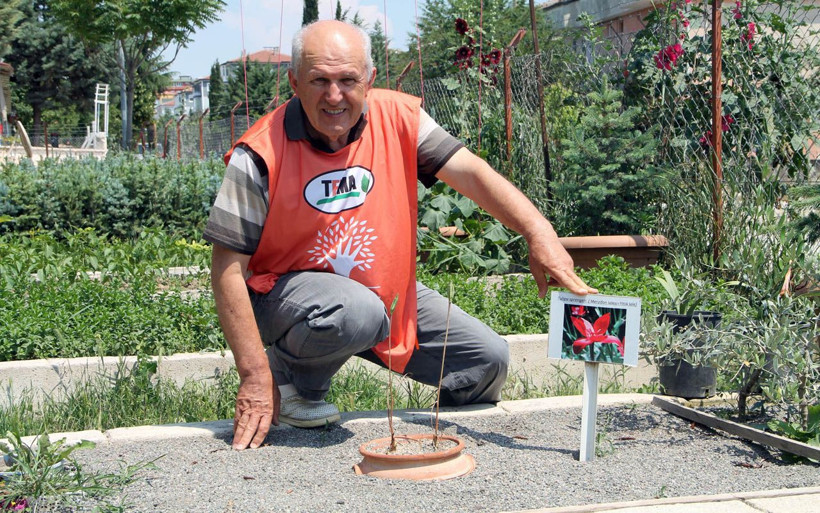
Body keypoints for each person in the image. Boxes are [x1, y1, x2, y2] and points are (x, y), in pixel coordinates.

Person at [203, 20, 597, 451]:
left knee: (486, 362)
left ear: (369, 80)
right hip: (286, 301)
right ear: (295, 81)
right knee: (355, 311)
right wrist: (254, 373)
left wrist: (538, 231)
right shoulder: (258, 153)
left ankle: (424, 435)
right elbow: (226, 269)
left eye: (348, 80)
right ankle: (293, 381)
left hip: (381, 297)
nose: (334, 96)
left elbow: (472, 174)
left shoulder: (399, 118)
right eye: (319, 80)